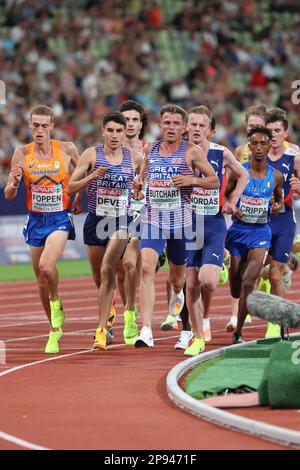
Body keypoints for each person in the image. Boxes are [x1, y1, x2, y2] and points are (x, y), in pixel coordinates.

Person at [134, 104, 220, 348]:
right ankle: (146, 329)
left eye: (175, 124)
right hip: (153, 219)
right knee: (147, 268)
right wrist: (139, 185)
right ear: (159, 126)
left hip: (181, 222)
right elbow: (143, 176)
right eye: (166, 123)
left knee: (177, 280)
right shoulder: (151, 149)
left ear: (183, 128)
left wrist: (192, 180)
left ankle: (185, 326)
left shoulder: (191, 152)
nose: (170, 127)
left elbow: (214, 180)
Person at [4, 105, 79, 354]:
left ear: (51, 127)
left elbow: (83, 174)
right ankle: (54, 330)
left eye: (44, 125)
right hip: (35, 220)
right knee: (39, 280)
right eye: (35, 125)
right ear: (29, 125)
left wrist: (77, 198)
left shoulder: (66, 149)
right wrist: (14, 183)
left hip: (59, 218)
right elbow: (8, 193)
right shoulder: (21, 153)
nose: (39, 130)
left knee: (47, 267)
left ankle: (56, 301)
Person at [67, 111, 142, 350]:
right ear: (103, 132)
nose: (115, 135)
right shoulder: (92, 154)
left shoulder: (135, 159)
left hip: (122, 220)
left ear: (124, 133)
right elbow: (70, 187)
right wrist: (92, 177)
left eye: (119, 131)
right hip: (96, 220)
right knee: (100, 277)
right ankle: (109, 316)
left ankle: (103, 328)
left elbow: (142, 189)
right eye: (110, 130)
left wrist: (139, 191)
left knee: (109, 268)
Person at [184, 106, 248, 355]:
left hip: (212, 222)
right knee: (190, 286)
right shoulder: (180, 152)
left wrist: (232, 201)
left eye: (202, 125)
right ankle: (198, 338)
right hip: (188, 223)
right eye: (193, 124)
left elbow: (242, 175)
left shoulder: (221, 153)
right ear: (186, 127)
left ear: (210, 129)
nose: (197, 129)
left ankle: (219, 261)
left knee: (207, 281)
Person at [225, 126, 283, 344]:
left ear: (269, 146)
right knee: (235, 288)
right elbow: (224, 197)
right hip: (238, 232)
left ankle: (238, 332)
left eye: (263, 143)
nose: (258, 148)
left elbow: (279, 201)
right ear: (249, 146)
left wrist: (276, 207)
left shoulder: (276, 176)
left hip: (260, 232)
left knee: (249, 284)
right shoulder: (239, 172)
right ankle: (230, 262)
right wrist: (231, 205)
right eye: (254, 143)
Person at [226, 105, 267, 331]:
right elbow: (229, 186)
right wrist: (231, 203)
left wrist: (278, 202)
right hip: (240, 225)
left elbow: (282, 186)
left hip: (264, 226)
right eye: (251, 126)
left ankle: (238, 319)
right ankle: (239, 308)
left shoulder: (283, 153)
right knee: (236, 285)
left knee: (254, 276)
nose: (255, 130)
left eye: (259, 126)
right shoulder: (240, 150)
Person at [264, 108, 300, 337]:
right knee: (255, 270)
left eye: (278, 130)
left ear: (285, 133)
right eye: (270, 131)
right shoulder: (257, 157)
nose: (274, 135)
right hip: (259, 220)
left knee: (275, 274)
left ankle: (277, 323)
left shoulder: (294, 158)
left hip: (285, 221)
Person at [115, 100, 148, 344]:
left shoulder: (150, 150)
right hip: (113, 213)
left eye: (135, 119)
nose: (130, 123)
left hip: (141, 213)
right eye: (126, 119)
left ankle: (129, 313)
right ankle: (125, 307)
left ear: (141, 123)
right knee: (118, 269)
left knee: (130, 265)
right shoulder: (111, 150)